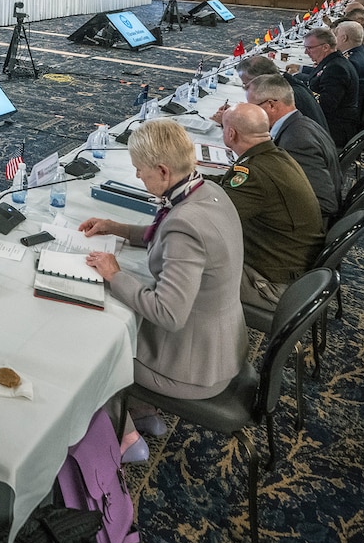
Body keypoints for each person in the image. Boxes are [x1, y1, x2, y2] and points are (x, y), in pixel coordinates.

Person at [79, 120, 247, 400]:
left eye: (140, 170)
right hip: (220, 345)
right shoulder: (207, 190)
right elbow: (165, 233)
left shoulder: (185, 225)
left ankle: (126, 432)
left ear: (162, 171)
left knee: (94, 347)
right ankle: (139, 412)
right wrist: (115, 227)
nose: (137, 175)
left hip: (191, 367)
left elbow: (168, 315)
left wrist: (114, 275)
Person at [218, 103, 326, 311]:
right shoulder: (275, 156)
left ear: (231, 134)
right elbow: (228, 186)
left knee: (185, 264)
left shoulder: (255, 173)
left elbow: (213, 216)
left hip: (274, 285)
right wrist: (191, 179)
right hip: (293, 266)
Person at [248, 74, 343, 221]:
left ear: (272, 105)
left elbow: (324, 204)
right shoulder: (300, 123)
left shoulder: (297, 141)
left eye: (252, 107)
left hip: (303, 229)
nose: (250, 114)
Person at [288, 26, 361, 147]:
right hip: (334, 121)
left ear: (325, 47)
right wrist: (293, 77)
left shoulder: (337, 69)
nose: (306, 52)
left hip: (334, 128)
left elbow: (325, 105)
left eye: (309, 48)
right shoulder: (332, 62)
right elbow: (316, 79)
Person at [335, 20, 364, 105]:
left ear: (344, 38)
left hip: (344, 109)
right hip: (354, 101)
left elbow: (330, 87)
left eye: (336, 35)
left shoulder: (351, 62)